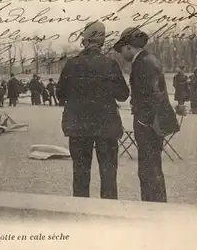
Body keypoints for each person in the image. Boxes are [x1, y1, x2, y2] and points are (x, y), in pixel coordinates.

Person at [58, 21, 130, 200]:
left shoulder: (71, 64)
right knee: (108, 176)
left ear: (84, 40)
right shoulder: (110, 64)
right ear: (102, 41)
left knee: (80, 175)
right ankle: (109, 216)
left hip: (78, 127)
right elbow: (123, 95)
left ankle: (80, 216)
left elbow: (60, 94)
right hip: (106, 127)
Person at [113, 26, 179, 203]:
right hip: (153, 123)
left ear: (128, 46)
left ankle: (154, 207)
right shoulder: (147, 60)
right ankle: (154, 205)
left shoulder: (143, 63)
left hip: (149, 125)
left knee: (149, 169)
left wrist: (144, 121)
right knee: (151, 168)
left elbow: (154, 95)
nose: (121, 55)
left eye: (121, 50)